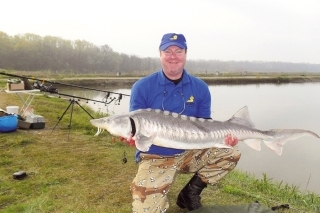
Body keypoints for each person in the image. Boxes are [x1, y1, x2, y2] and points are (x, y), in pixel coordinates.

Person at [129, 33, 241, 213]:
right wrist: (133, 137)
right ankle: (157, 189)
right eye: (168, 51)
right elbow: (134, 126)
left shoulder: (200, 87)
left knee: (231, 152)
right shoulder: (142, 87)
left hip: (190, 151)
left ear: (185, 54)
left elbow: (205, 126)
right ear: (160, 54)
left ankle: (190, 193)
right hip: (155, 155)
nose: (173, 56)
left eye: (178, 51)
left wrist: (224, 140)